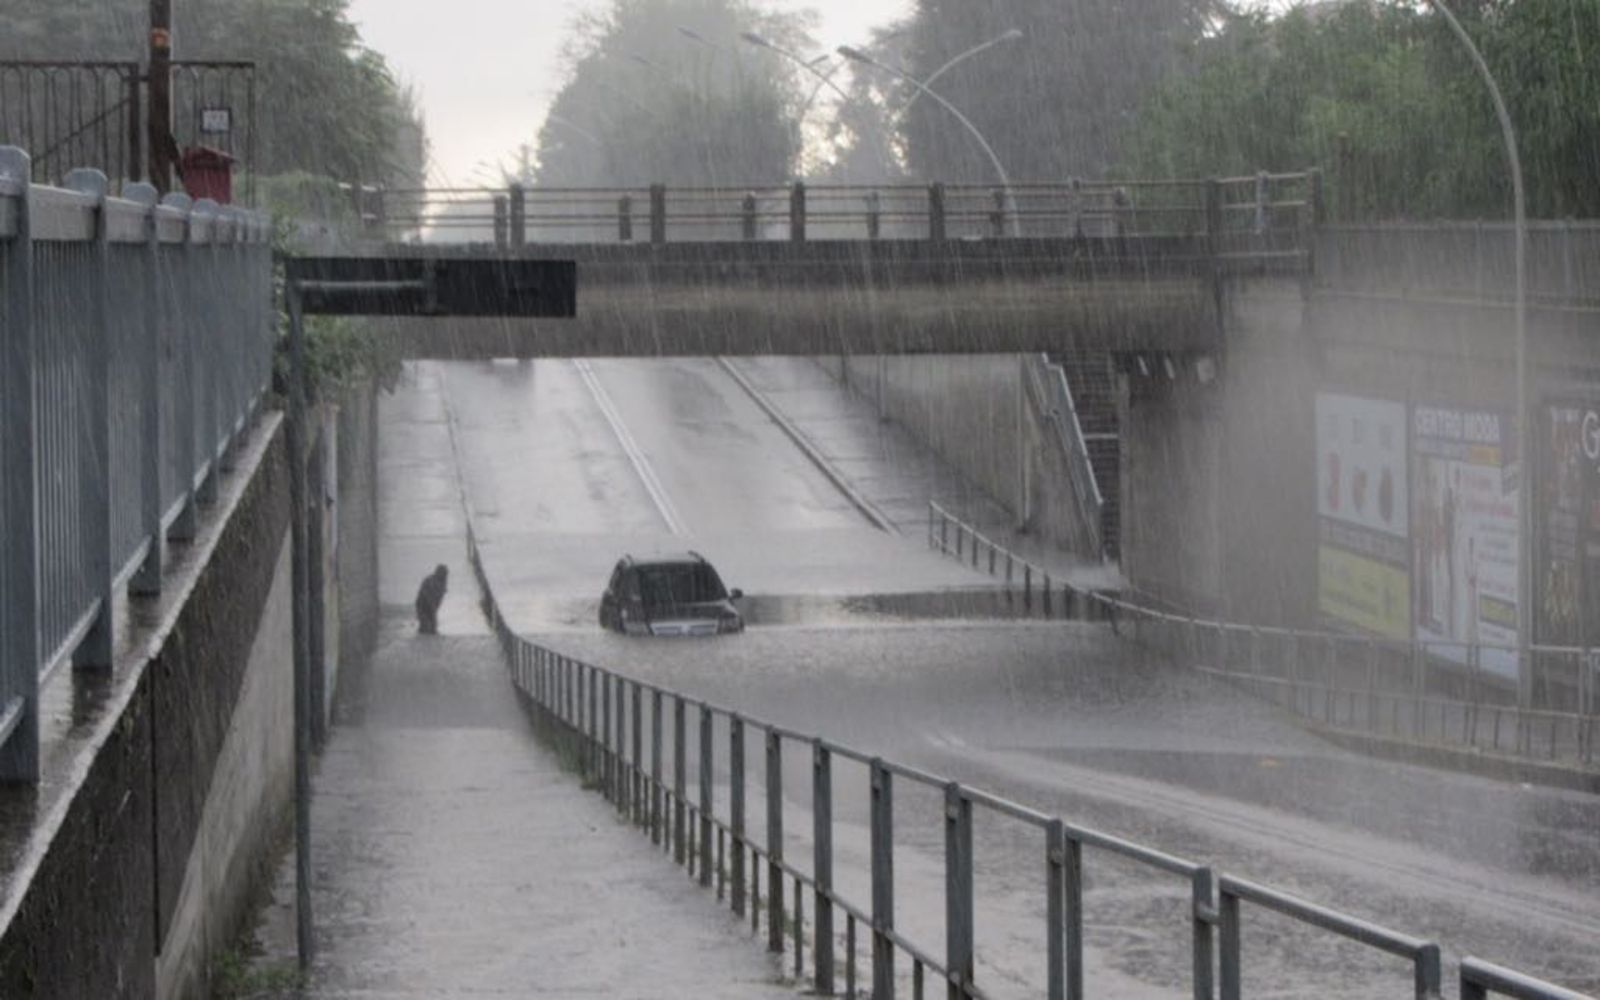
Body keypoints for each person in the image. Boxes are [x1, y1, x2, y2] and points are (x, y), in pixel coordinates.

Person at [415, 564, 448, 635]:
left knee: (433, 627)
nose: (445, 575)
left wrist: (435, 609)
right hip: (423, 605)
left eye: (445, 574)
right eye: (443, 573)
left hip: (432, 606)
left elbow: (442, 594)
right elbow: (426, 595)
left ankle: (426, 633)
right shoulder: (430, 580)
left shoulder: (443, 582)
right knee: (426, 625)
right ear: (438, 572)